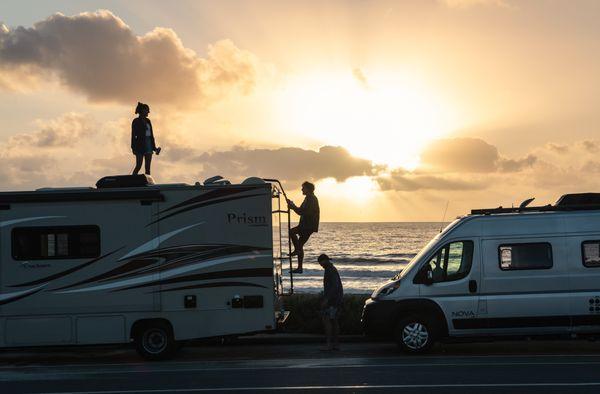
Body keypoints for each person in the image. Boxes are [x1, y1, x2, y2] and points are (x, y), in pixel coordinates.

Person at [286, 181, 320, 274]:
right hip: (306, 225)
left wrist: (293, 206)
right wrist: (293, 206)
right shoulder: (308, 198)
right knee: (300, 245)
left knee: (291, 232)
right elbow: (300, 210)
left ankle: (297, 250)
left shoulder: (311, 199)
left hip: (307, 226)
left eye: (303, 188)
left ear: (308, 189)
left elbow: (302, 212)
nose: (301, 189)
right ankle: (300, 267)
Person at [318, 254, 343, 351]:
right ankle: (336, 344)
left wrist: (326, 300)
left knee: (327, 321)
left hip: (332, 301)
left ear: (325, 261)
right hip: (337, 299)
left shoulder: (330, 270)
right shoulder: (331, 269)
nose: (321, 265)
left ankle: (329, 344)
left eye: (321, 263)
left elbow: (334, 287)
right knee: (334, 321)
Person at [131, 102, 161, 175]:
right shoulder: (136, 121)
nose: (148, 112)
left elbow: (151, 135)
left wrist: (154, 148)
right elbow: (133, 135)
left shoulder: (148, 121)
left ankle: (148, 185)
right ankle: (132, 181)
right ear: (143, 110)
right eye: (147, 110)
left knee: (147, 168)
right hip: (139, 146)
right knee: (138, 165)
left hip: (149, 144)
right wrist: (133, 147)